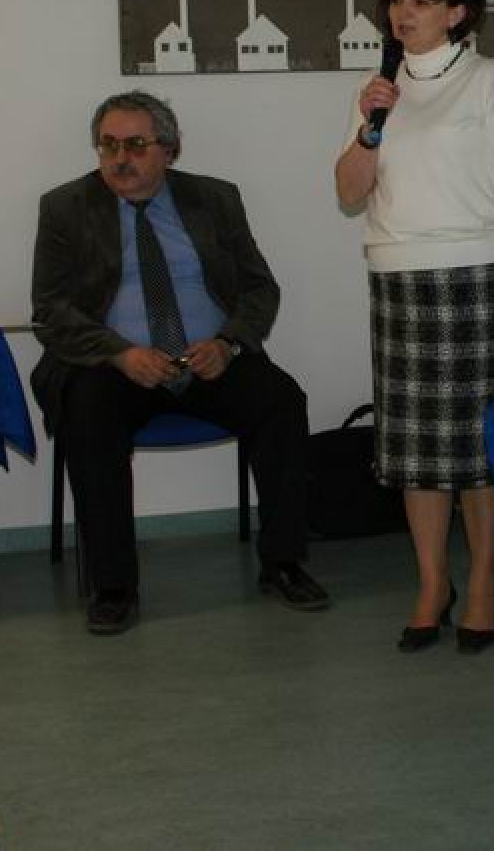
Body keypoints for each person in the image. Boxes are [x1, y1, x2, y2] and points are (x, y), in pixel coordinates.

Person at [31, 90, 329, 635]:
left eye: (135, 145)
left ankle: (284, 562)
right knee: (88, 415)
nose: (120, 158)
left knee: (281, 401)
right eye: (108, 145)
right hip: (113, 365)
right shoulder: (65, 207)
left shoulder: (215, 199)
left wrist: (228, 344)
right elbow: (50, 309)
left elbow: (259, 288)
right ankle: (113, 586)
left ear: (169, 150)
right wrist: (120, 354)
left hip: (207, 356)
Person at [334, 0, 494, 655]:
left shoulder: (487, 81)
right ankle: (433, 584)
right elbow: (348, 191)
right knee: (414, 448)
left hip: (474, 277)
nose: (404, 12)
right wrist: (369, 125)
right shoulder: (378, 88)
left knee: (476, 447)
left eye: (422, 0)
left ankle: (484, 581)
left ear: (456, 13)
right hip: (398, 280)